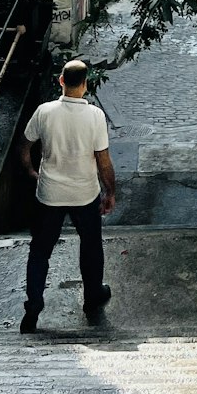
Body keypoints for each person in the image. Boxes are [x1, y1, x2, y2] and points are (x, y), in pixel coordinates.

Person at [18, 59, 116, 332]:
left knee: (40, 251)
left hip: (49, 194)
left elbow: (25, 144)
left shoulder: (44, 111)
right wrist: (110, 192)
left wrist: (30, 171)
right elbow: (103, 160)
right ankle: (92, 296)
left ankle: (34, 307)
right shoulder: (95, 116)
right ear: (85, 85)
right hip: (85, 193)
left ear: (61, 81)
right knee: (91, 245)